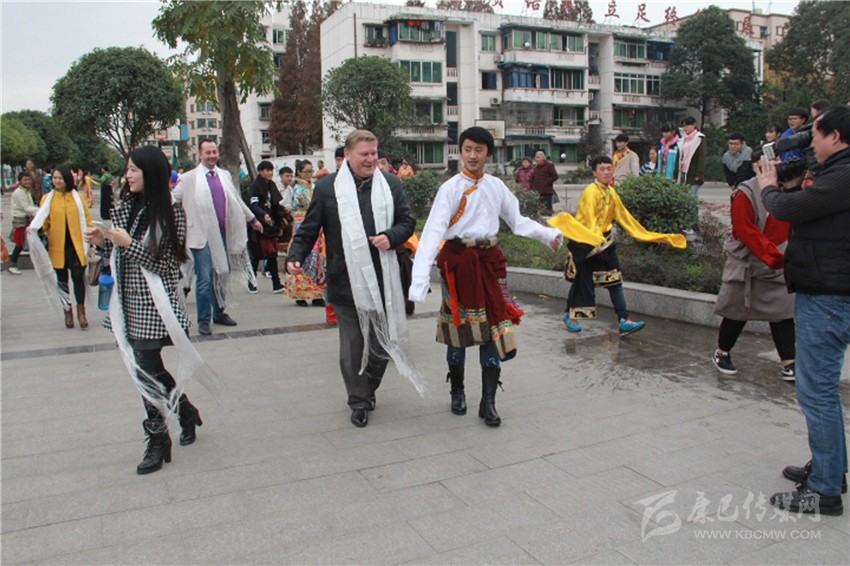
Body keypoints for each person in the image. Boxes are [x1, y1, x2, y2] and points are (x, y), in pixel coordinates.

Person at [410, 127, 576, 426]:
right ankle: (457, 391)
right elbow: (433, 232)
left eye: (479, 150)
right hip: (459, 263)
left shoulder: (497, 186)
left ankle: (488, 402)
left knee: (492, 327)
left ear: (488, 153)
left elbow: (517, 221)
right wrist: (419, 280)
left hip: (490, 263)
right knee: (459, 329)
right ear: (460, 151)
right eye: (468, 149)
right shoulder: (450, 189)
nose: (473, 156)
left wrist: (547, 235)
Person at [286, 129, 419, 428]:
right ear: (347, 155)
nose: (371, 159)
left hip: (384, 279)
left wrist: (391, 236)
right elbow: (310, 228)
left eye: (374, 153)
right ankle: (358, 401)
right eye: (364, 154)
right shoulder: (327, 188)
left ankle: (367, 388)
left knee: (383, 345)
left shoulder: (391, 184)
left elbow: (407, 221)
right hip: (345, 279)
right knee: (352, 346)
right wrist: (296, 255)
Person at [84, 145, 204, 475]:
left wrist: (128, 244)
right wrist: (102, 240)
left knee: (145, 370)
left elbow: (165, 266)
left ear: (150, 173)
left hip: (155, 306)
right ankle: (185, 411)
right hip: (127, 303)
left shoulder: (172, 213)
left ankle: (158, 440)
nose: (128, 175)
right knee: (149, 368)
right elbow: (117, 250)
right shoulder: (126, 206)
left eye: (134, 170)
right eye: (128, 169)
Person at [758, 105, 850, 517]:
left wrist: (768, 188)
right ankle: (830, 471)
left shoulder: (845, 174)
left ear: (835, 137)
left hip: (829, 297)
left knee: (817, 392)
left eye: (816, 135)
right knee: (821, 391)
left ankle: (825, 490)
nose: (811, 142)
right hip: (829, 291)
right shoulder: (837, 172)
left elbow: (789, 210)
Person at [554, 155, 686, 335]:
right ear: (594, 172)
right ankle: (570, 316)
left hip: (605, 243)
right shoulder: (590, 192)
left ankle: (624, 320)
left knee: (614, 281)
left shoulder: (611, 193)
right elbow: (588, 219)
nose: (607, 172)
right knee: (583, 281)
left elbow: (625, 218)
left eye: (609, 169)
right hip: (587, 243)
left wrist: (650, 235)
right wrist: (594, 240)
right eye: (602, 169)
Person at [172, 139, 263, 336]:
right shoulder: (189, 179)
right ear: (200, 154)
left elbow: (236, 200)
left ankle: (219, 313)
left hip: (222, 233)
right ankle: (204, 319)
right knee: (204, 278)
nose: (212, 156)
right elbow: (172, 200)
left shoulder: (224, 175)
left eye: (214, 152)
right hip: (200, 237)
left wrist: (253, 219)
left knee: (221, 273)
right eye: (208, 152)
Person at [711, 175, 795, 380]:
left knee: (782, 312)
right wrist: (773, 257)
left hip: (778, 262)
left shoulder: (792, 187)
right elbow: (745, 229)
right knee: (736, 312)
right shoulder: (746, 192)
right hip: (748, 262)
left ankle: (789, 361)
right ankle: (722, 352)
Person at [29, 165, 94, 329]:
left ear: (67, 179)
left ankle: (81, 312)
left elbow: (87, 221)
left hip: (77, 246)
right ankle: (67, 311)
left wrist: (92, 240)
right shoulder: (47, 199)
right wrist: (35, 228)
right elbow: (45, 221)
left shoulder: (78, 198)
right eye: (55, 178)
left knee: (78, 278)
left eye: (60, 178)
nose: (57, 181)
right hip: (57, 247)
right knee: (62, 281)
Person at [284, 159, 327, 308]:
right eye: (306, 171)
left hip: (316, 224)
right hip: (301, 223)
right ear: (299, 172)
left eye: (311, 171)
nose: (309, 174)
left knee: (317, 258)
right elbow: (295, 207)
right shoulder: (296, 188)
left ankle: (317, 294)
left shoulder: (314, 186)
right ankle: (300, 294)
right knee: (302, 258)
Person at [246, 160, 284, 294]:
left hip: (270, 226)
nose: (270, 173)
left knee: (272, 254)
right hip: (258, 225)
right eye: (267, 170)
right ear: (260, 172)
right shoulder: (255, 187)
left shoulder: (271, 186)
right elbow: (253, 205)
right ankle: (252, 282)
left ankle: (276, 283)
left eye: (271, 170)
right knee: (257, 255)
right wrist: (263, 215)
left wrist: (284, 211)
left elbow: (274, 204)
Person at [8, 172, 39, 275]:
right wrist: (39, 211)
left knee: (27, 242)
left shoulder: (26, 191)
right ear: (20, 181)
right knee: (19, 244)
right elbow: (26, 207)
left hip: (26, 220)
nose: (27, 181)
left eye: (28, 179)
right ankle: (12, 265)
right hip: (20, 221)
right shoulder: (19, 193)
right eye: (25, 180)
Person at [678, 117, 707, 200]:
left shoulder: (699, 138)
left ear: (694, 125)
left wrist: (699, 174)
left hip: (693, 172)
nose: (685, 128)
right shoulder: (682, 139)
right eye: (683, 126)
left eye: (687, 125)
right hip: (683, 171)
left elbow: (701, 157)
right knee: (683, 197)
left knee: (692, 196)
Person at [531, 150, 558, 215]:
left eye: (538, 157)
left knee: (547, 210)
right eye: (536, 157)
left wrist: (546, 182)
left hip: (547, 192)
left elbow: (555, 176)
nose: (537, 159)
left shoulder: (549, 165)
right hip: (537, 192)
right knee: (540, 210)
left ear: (543, 157)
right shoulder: (535, 167)